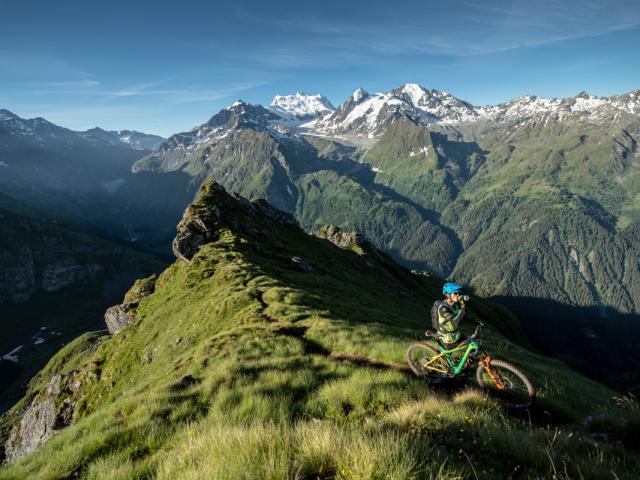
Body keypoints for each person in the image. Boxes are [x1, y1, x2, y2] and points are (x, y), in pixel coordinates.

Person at [430, 282, 467, 348]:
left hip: (456, 335)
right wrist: (463, 307)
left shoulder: (455, 305)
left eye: (459, 293)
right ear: (448, 295)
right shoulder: (443, 309)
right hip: (447, 340)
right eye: (455, 293)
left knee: (473, 347)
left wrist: (473, 320)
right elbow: (455, 321)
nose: (458, 295)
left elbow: (460, 316)